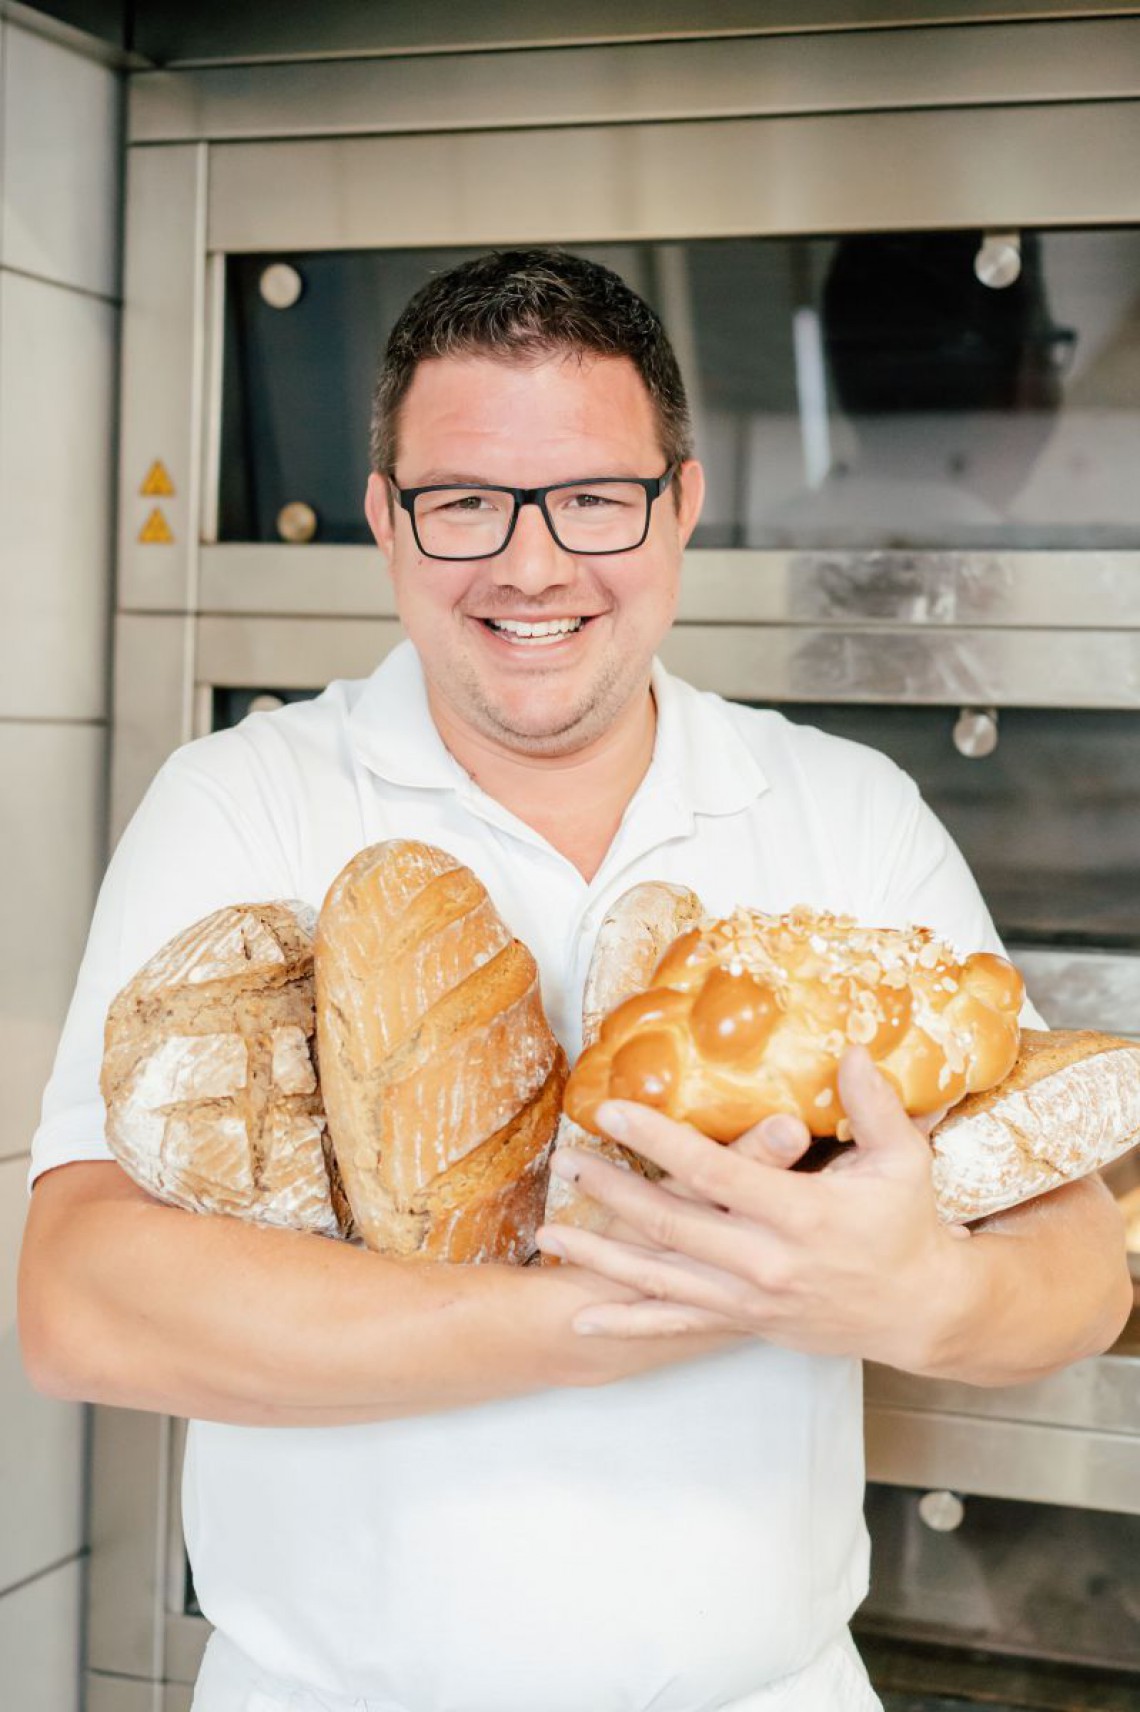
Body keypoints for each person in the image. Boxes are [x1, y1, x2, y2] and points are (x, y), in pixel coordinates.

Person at [20, 249, 1130, 1712]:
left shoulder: (840, 810)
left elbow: (1078, 1267)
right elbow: (78, 1299)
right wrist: (572, 1327)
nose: (532, 565)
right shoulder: (245, 802)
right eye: (464, 502)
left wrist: (918, 1291)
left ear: (680, 505)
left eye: (595, 500)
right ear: (385, 522)